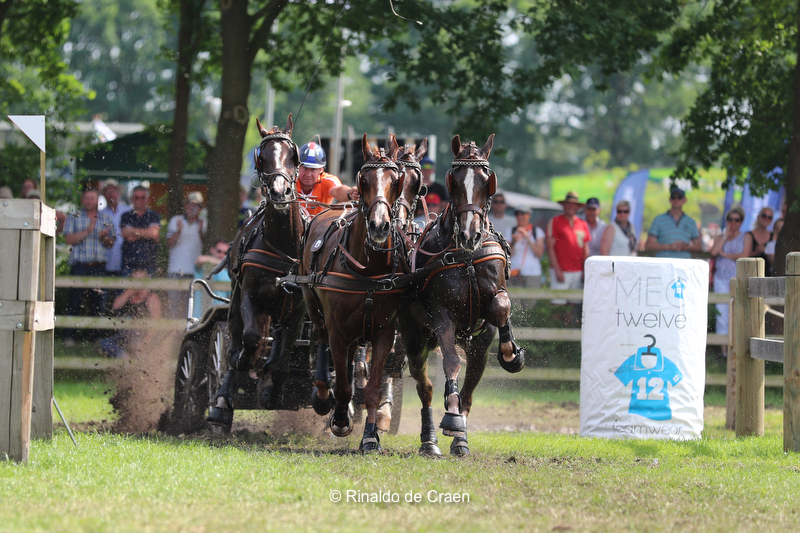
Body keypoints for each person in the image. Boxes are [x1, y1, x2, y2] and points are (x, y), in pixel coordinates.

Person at [62, 188, 116, 346]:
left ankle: (95, 338)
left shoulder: (106, 218)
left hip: (99, 267)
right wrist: (88, 231)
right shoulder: (74, 217)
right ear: (82, 200)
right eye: (86, 198)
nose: (89, 201)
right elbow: (69, 239)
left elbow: (111, 243)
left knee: (97, 303)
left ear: (97, 200)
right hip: (80, 266)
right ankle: (69, 337)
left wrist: (104, 237)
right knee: (74, 302)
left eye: (92, 198)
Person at [710, 207, 751, 356]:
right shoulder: (721, 236)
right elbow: (714, 252)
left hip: (737, 277)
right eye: (730, 219)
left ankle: (736, 348)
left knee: (736, 310)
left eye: (737, 220)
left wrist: (725, 254)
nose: (733, 223)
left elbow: (745, 255)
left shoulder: (746, 236)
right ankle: (723, 350)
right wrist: (726, 236)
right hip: (721, 277)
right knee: (722, 311)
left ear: (741, 221)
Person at [99, 269, 162, 358]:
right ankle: (125, 358)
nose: (137, 283)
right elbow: (116, 306)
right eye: (134, 280)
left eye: (140, 280)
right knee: (106, 343)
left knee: (130, 321)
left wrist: (146, 341)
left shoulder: (151, 298)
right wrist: (129, 292)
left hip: (143, 334)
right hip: (126, 333)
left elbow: (156, 322)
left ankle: (138, 354)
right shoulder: (129, 294)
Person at [547, 191, 590, 315]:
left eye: (574, 204)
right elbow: (550, 247)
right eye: (568, 204)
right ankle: (554, 332)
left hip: (578, 271)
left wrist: (585, 270)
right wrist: (557, 270)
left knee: (572, 306)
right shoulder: (555, 221)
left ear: (577, 207)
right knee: (557, 305)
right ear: (564, 206)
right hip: (561, 270)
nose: (571, 207)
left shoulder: (583, 224)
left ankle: (567, 331)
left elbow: (585, 248)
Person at [166, 191, 206, 317]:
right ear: (185, 206)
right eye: (190, 205)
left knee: (190, 307)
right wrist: (179, 231)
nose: (192, 208)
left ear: (200, 208)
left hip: (194, 272)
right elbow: (169, 243)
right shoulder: (175, 220)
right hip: (175, 270)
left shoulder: (203, 223)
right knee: (173, 306)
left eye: (196, 205)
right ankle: (172, 334)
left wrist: (200, 231)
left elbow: (207, 246)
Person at [295, 141, 357, 217]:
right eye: (304, 168)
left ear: (321, 169)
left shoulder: (328, 180)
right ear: (297, 167)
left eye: (313, 169)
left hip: (318, 227)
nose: (308, 174)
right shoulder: (289, 181)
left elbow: (338, 190)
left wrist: (349, 193)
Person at [645, 187, 702, 258]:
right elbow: (648, 246)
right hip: (663, 264)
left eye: (679, 197)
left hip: (684, 265)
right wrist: (668, 247)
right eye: (673, 197)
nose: (676, 200)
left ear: (684, 200)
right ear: (670, 199)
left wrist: (686, 247)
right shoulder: (658, 220)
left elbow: (698, 247)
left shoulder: (691, 222)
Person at [120, 185, 161, 276]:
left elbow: (154, 234)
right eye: (137, 197)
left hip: (149, 263)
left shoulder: (154, 215)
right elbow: (127, 235)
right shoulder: (126, 215)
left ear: (148, 199)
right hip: (129, 263)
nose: (140, 200)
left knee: (147, 290)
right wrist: (146, 233)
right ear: (132, 199)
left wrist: (132, 231)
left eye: (143, 197)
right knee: (127, 290)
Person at [100, 179, 132, 278]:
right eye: (108, 192)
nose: (111, 195)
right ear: (104, 195)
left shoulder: (128, 210)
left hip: (125, 259)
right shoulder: (100, 214)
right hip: (106, 259)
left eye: (113, 191)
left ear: (119, 193)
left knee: (123, 291)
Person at [509, 206, 545, 293]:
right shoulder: (510, 231)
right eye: (517, 214)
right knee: (514, 301)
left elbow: (539, 254)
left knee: (531, 302)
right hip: (514, 272)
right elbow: (507, 254)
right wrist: (514, 241)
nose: (520, 216)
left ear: (529, 215)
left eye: (523, 214)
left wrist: (527, 238)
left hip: (532, 273)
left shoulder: (537, 231)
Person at [193, 239, 232, 318]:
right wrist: (225, 262)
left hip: (218, 318)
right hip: (197, 318)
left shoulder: (229, 275)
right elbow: (200, 259)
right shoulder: (202, 267)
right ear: (212, 250)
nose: (221, 255)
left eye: (225, 253)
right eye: (219, 251)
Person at [746, 207, 774, 276]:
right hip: (751, 273)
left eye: (769, 217)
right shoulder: (749, 235)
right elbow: (744, 256)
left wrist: (765, 251)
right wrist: (756, 252)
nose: (766, 219)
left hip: (767, 274)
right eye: (764, 216)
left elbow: (774, 261)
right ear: (758, 217)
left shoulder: (773, 236)